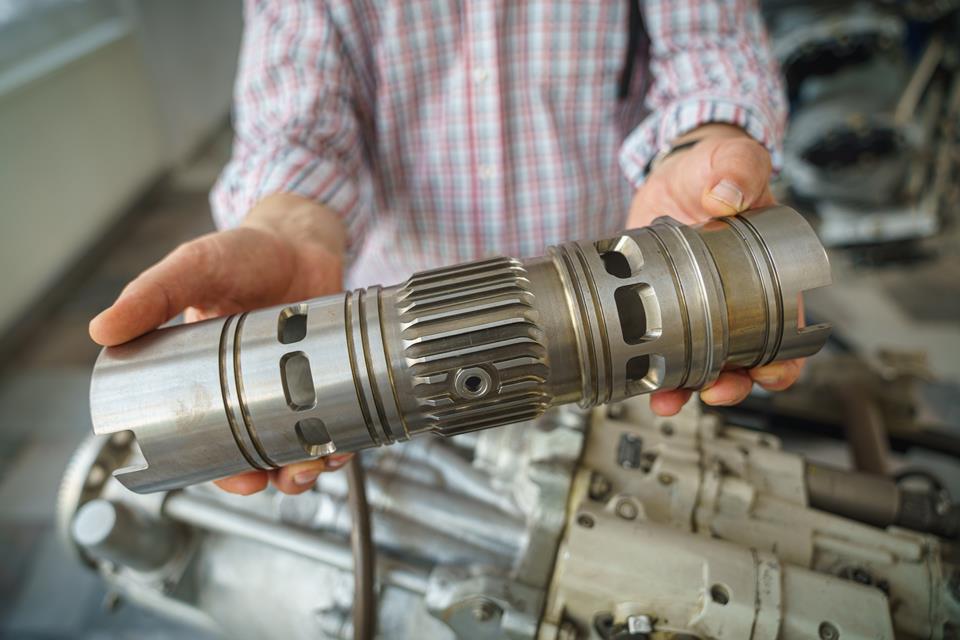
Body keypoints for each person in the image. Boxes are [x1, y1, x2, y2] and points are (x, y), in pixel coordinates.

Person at [89, 0, 802, 496]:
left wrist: (702, 143)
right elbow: (299, 120)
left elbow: (710, 41)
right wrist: (286, 230)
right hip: (380, 365)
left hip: (624, 330)